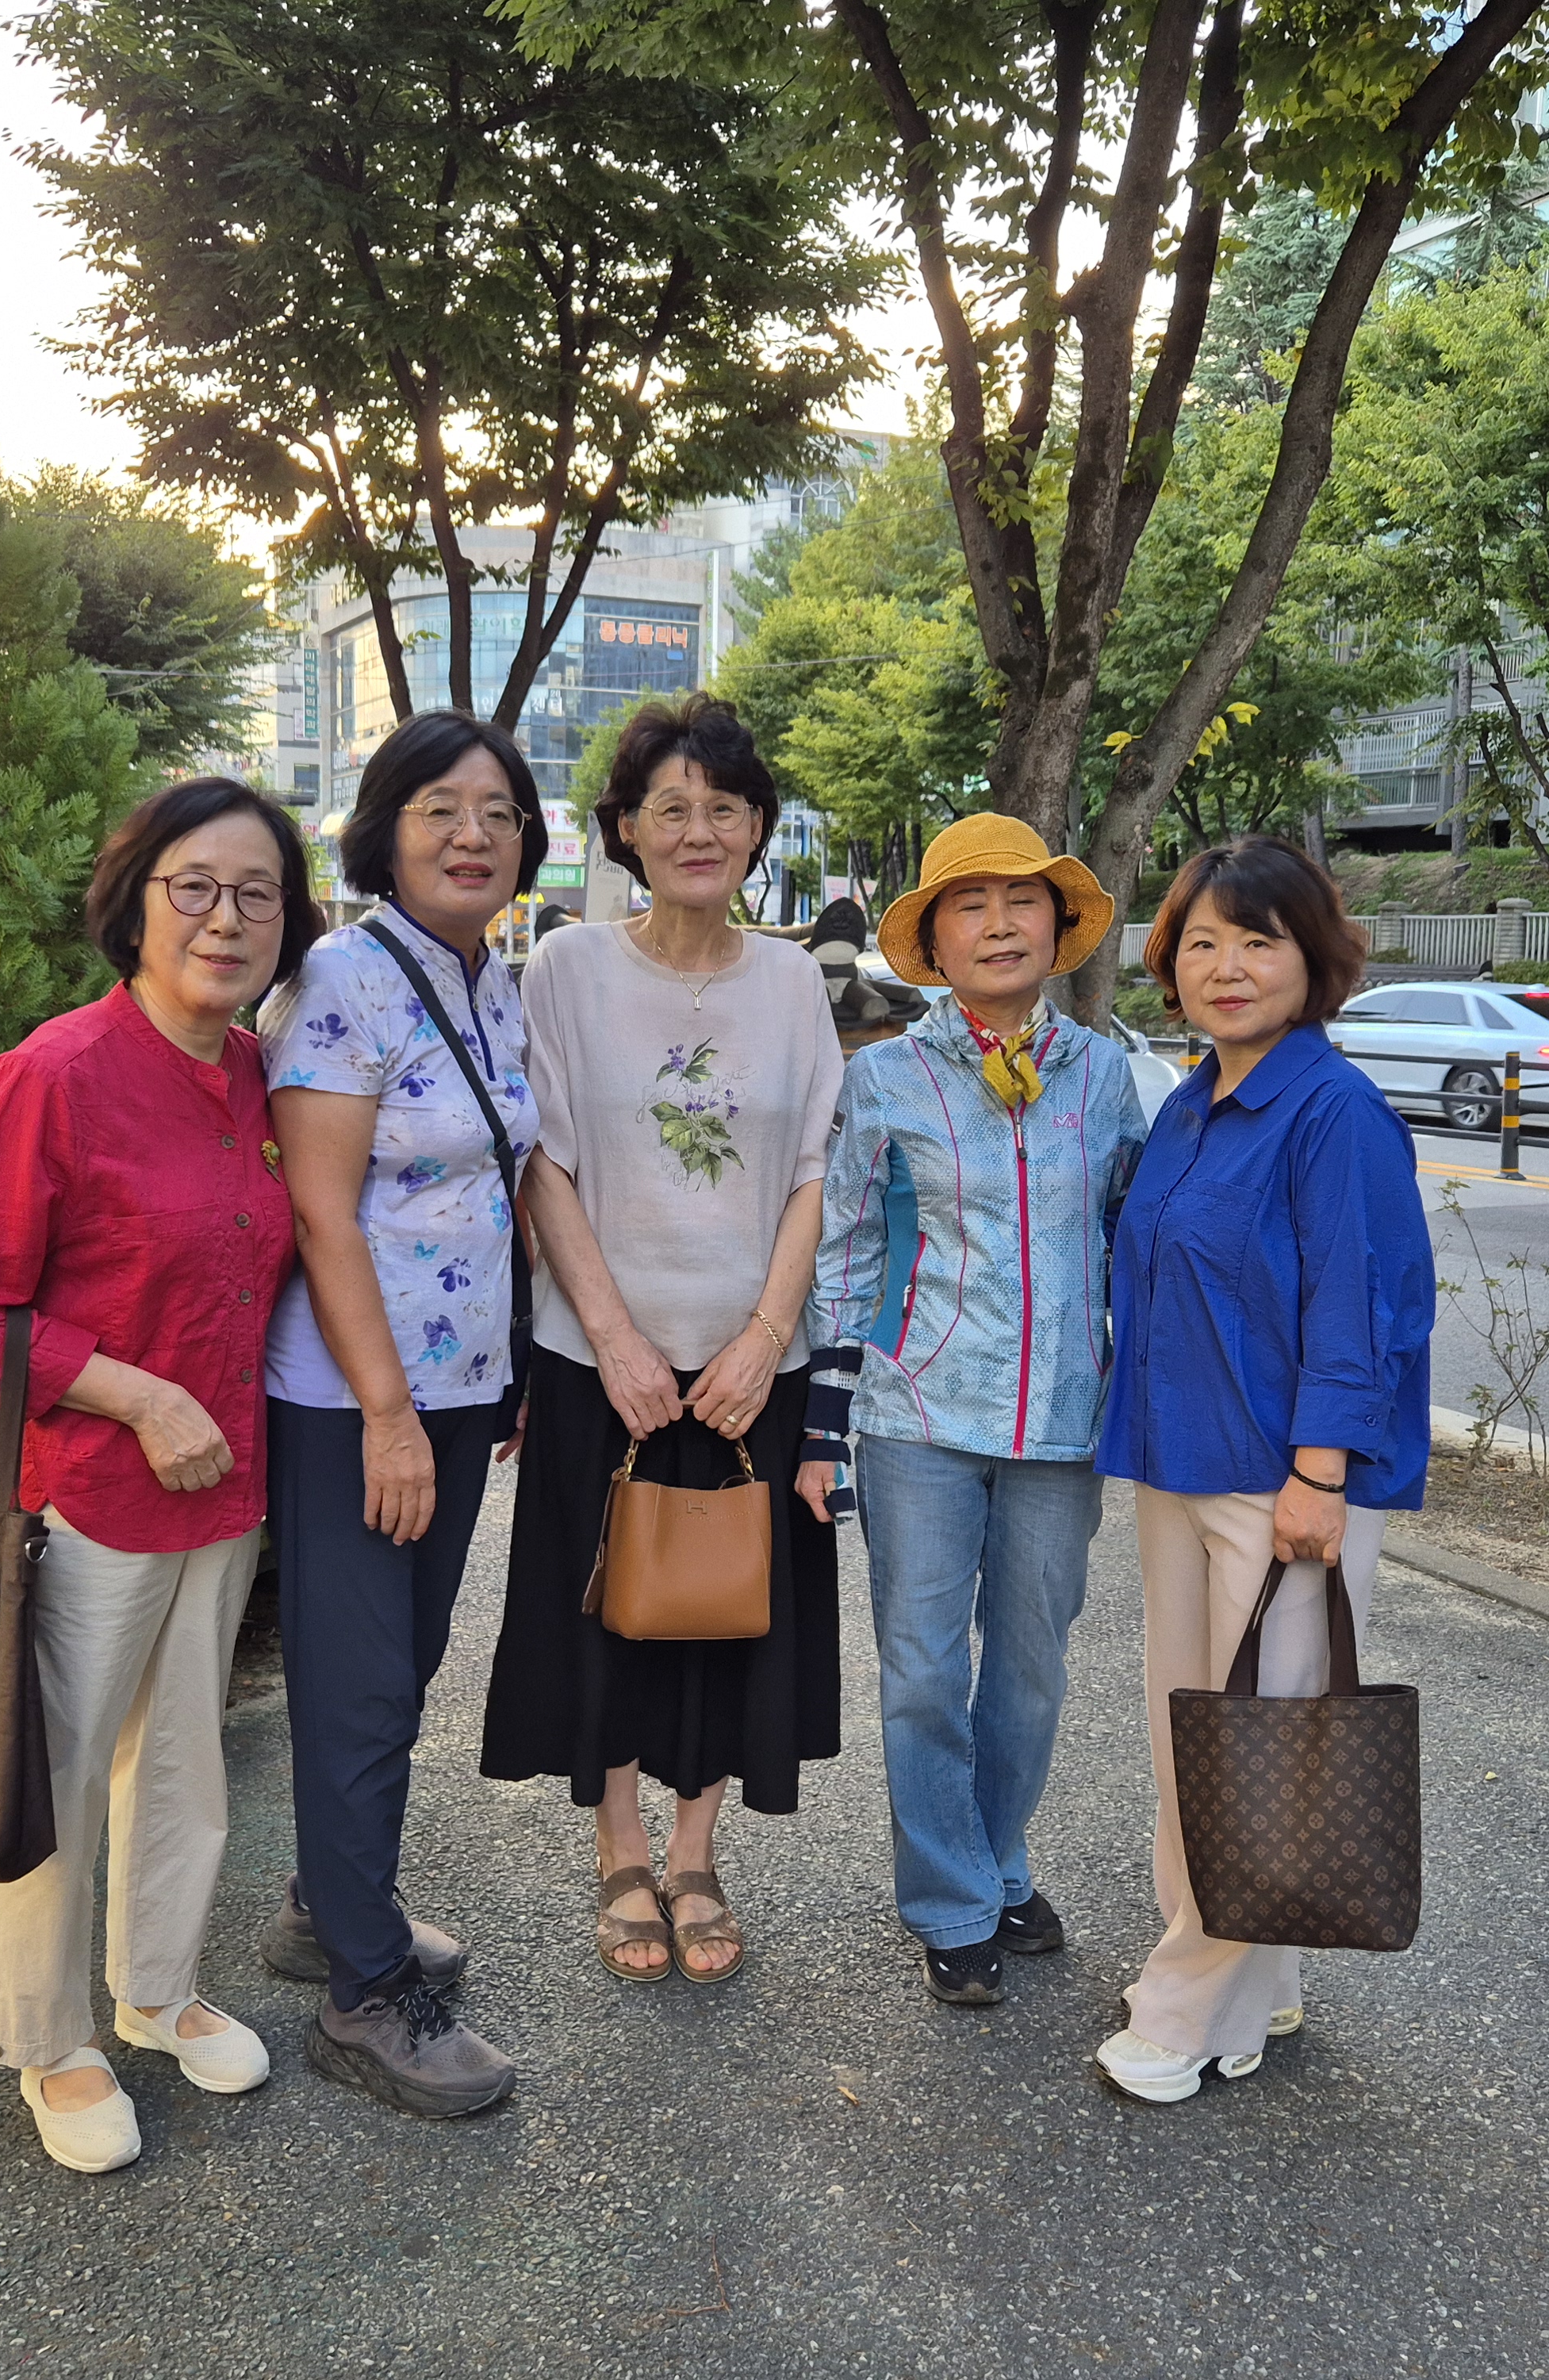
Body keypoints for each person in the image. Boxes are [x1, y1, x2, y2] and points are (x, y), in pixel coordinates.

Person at [0, 774, 322, 2174]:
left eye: (257, 894)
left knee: (189, 1758)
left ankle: (155, 1990)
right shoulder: (54, 1076)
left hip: (227, 1486)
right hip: (83, 1492)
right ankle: (46, 2037)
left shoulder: (257, 1078)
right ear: (133, 905)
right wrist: (138, 1396)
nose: (226, 918)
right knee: (62, 1773)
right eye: (194, 887)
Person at [479, 694, 845, 1987]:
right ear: (626, 828)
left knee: (726, 1611)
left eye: (724, 808)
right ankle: (621, 1846)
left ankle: (698, 1853)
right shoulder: (569, 969)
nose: (699, 830)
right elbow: (546, 1164)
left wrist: (765, 1335)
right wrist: (617, 1338)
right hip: (602, 1361)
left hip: (752, 1365)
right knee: (610, 1612)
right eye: (671, 807)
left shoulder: (792, 981)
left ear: (756, 829)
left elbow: (815, 1172)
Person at [1089, 836, 1432, 2107]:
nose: (1226, 966)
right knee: (1201, 1739)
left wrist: (1320, 1475)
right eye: (1201, 942)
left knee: (1266, 1753)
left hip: (1282, 1485)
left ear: (1313, 958)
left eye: (1258, 940)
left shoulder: (1334, 1112)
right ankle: (1259, 1981)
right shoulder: (1190, 1103)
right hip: (1176, 1465)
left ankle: (1183, 2008)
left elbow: (1363, 1303)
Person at [796, 815, 1145, 2009]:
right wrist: (825, 1425)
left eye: (1022, 901)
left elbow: (1133, 1240)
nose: (1000, 924)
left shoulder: (1104, 1076)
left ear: (1058, 926)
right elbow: (846, 1248)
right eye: (970, 905)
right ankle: (951, 1900)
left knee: (1032, 1670)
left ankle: (997, 1858)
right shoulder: (883, 1078)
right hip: (917, 1415)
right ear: (935, 943)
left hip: (1064, 1421)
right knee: (921, 1670)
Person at [256, 709, 546, 2118]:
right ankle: (366, 1996)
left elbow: (496, 1184)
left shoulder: (492, 976)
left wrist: (508, 1371)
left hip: (461, 1390)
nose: (472, 834)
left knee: (404, 1661)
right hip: (354, 1401)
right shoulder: (343, 979)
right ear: (386, 828)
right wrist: (384, 1415)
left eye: (498, 811)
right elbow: (323, 1214)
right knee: (363, 1678)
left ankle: (331, 1902)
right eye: (440, 807)